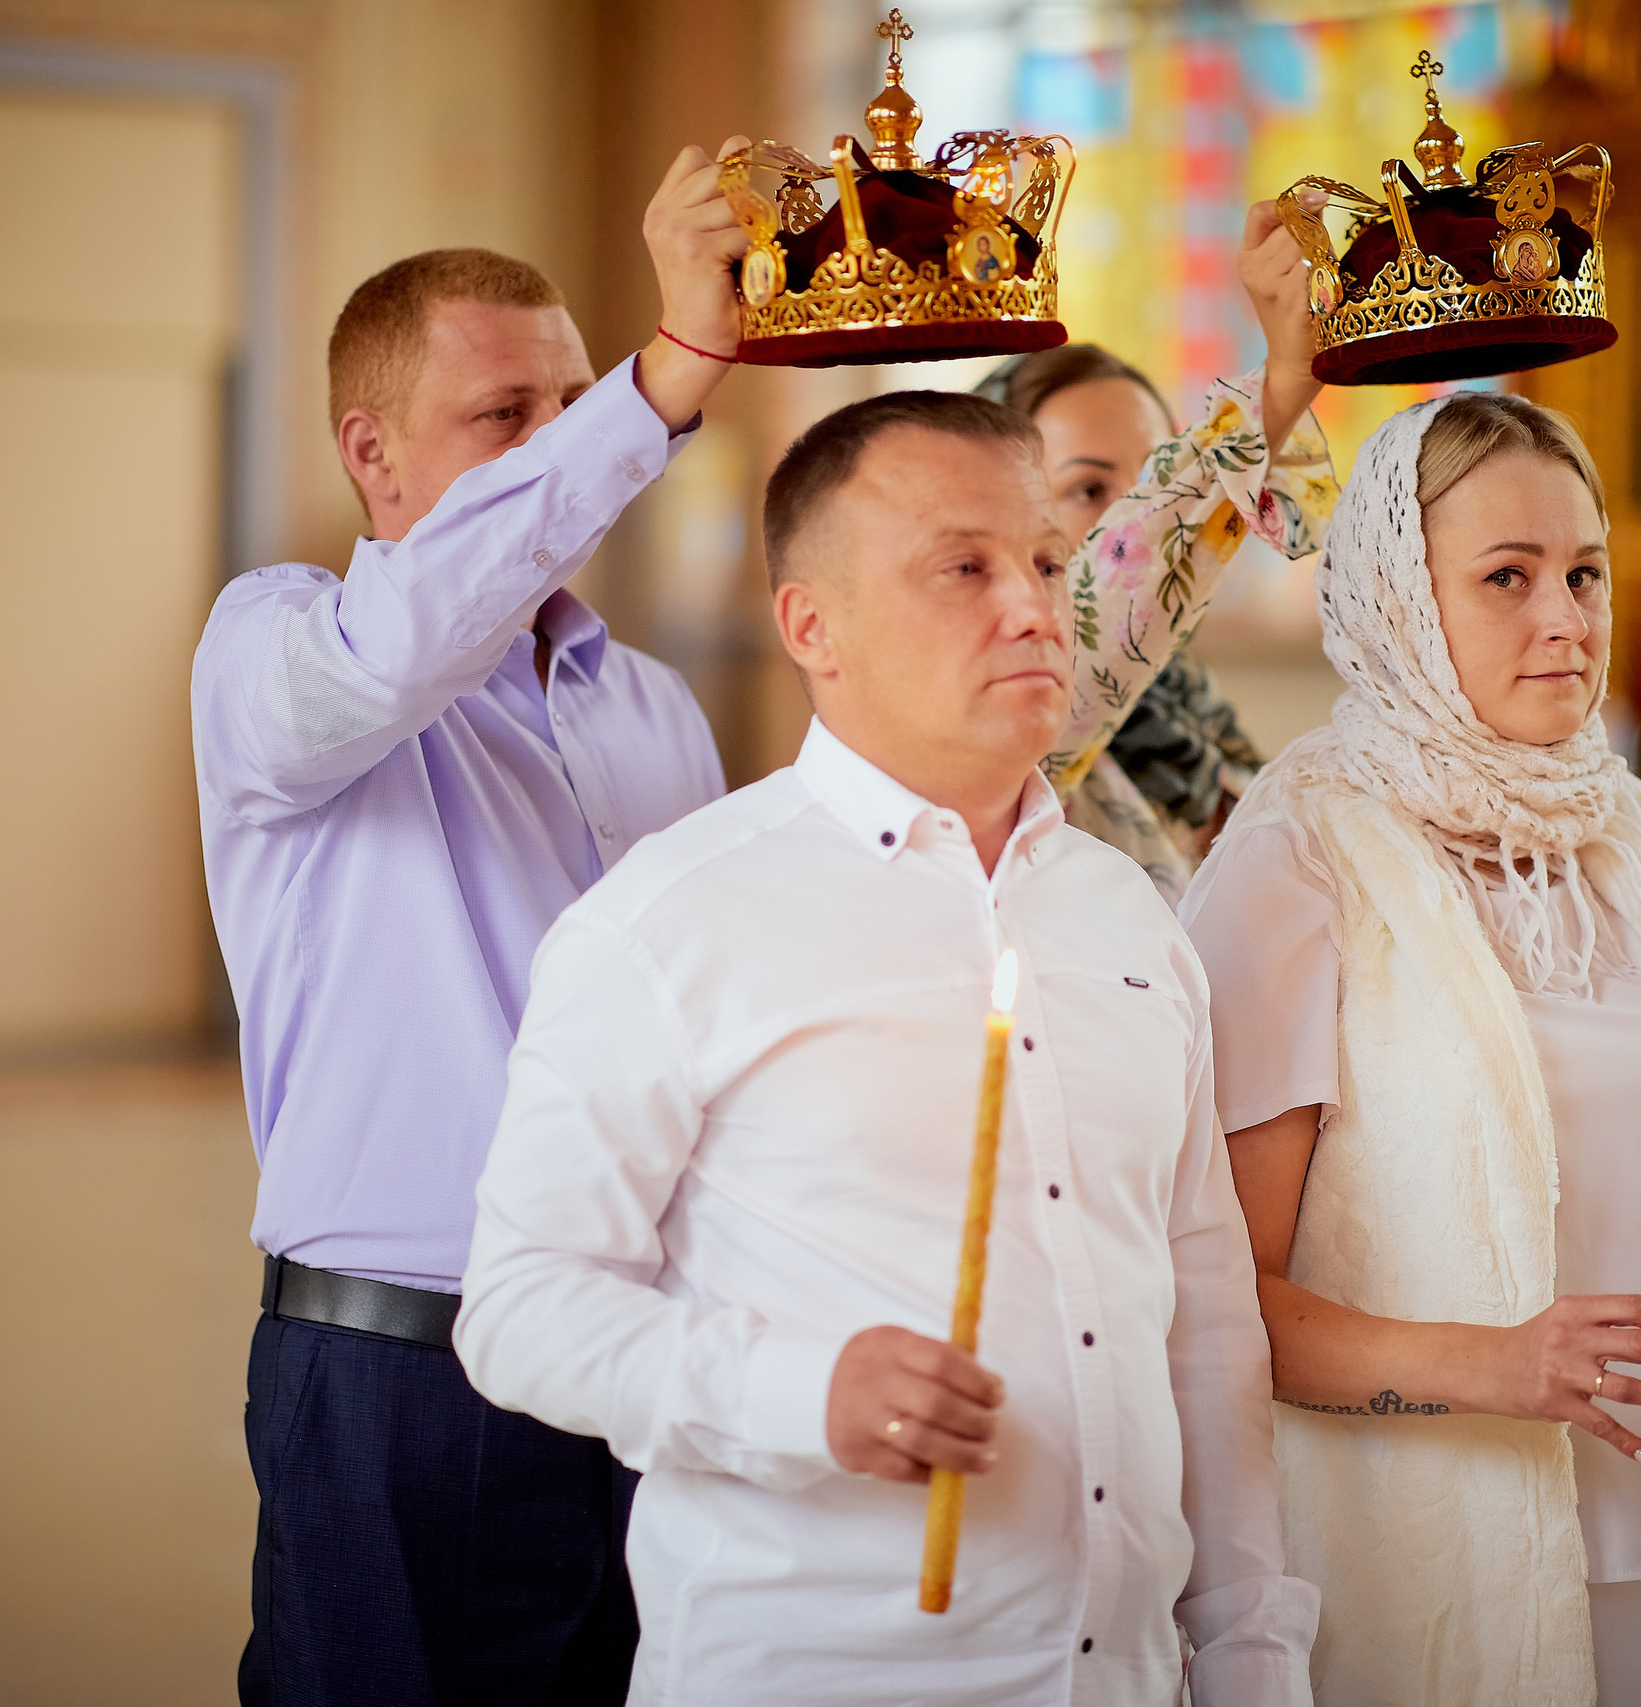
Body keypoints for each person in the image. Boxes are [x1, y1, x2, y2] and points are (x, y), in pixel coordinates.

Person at [455, 390, 1317, 1705]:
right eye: (961, 567)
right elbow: (519, 1307)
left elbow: (1202, 1322)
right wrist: (803, 1387)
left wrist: (1256, 1651)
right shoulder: (671, 920)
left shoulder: (1126, 914)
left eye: (1042, 560)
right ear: (815, 625)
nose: (1032, 606)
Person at [191, 138, 750, 1705]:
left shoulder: (652, 707)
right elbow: (399, 648)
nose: (560, 451)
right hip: (395, 1375)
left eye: (575, 408)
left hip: (637, 1350)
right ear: (373, 455)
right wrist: (669, 378)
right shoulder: (275, 653)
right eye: (506, 416)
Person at [1181, 394, 1641, 1707]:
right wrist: (1495, 1361)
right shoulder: (1303, 848)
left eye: (1586, 571)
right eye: (1507, 577)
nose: (1567, 619)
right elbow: (1210, 1296)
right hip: (1420, 1557)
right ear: (1402, 598)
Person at [985, 201, 1340, 906]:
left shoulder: (1201, 728)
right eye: (1088, 488)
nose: (1127, 516)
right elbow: (1110, 596)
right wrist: (1281, 384)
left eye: (1152, 477)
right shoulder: (1005, 727)